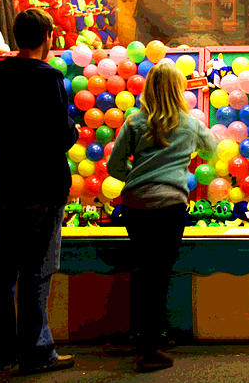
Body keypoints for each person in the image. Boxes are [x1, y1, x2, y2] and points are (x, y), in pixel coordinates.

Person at [0, 8, 78, 375]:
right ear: (48, 37)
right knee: (37, 269)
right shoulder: (47, 78)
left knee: (6, 268)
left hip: (6, 182)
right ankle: (37, 351)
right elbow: (60, 135)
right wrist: (70, 128)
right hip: (43, 184)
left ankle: (3, 350)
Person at [107, 62, 216, 373]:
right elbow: (211, 151)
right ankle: (150, 346)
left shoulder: (134, 122)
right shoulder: (190, 123)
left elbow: (115, 168)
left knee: (144, 270)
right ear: (178, 90)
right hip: (170, 205)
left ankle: (146, 335)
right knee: (159, 272)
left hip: (136, 204)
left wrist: (139, 176)